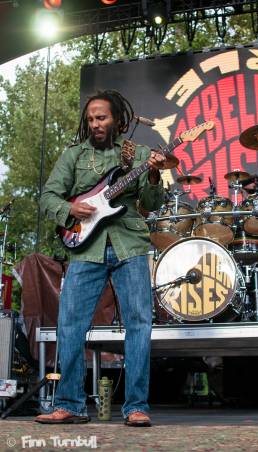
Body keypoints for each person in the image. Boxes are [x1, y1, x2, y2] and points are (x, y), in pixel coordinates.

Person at [35, 90, 166, 427]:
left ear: (117, 120)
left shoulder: (139, 154)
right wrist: (69, 208)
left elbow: (151, 204)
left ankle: (136, 406)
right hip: (86, 248)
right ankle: (70, 405)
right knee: (70, 325)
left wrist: (153, 175)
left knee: (138, 325)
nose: (95, 123)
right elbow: (48, 196)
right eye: (91, 118)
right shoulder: (74, 155)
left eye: (101, 117)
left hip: (129, 244)